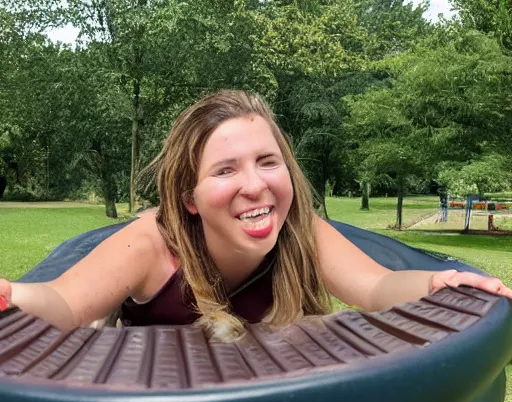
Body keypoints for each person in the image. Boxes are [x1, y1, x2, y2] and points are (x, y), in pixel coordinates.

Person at [0, 90, 511, 342]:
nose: (255, 184)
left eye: (269, 162)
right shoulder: (151, 244)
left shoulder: (301, 231)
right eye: (225, 170)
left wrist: (436, 283)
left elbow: (376, 290)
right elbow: (65, 302)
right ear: (190, 197)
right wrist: (11, 294)